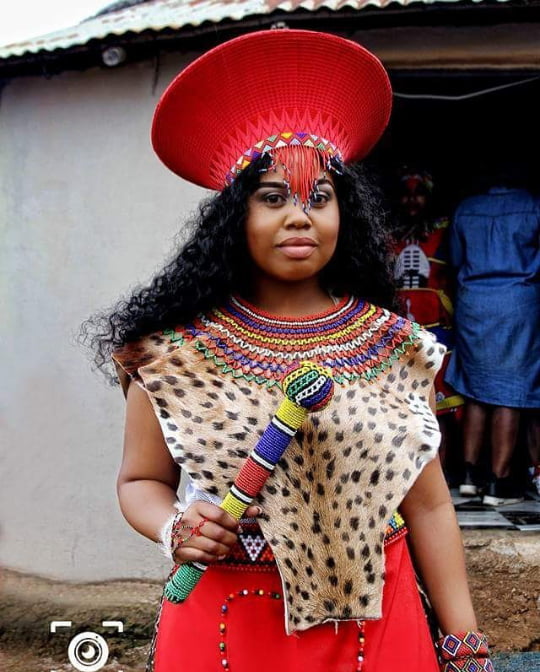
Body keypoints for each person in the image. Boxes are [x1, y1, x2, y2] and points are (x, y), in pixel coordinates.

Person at [84, 30, 494, 672]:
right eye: (273, 198)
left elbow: (432, 505)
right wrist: (175, 527)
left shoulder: (395, 347)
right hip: (222, 623)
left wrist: (464, 645)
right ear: (234, 219)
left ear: (343, 216)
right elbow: (140, 482)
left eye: (318, 198)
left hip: (379, 624)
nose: (299, 216)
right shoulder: (174, 353)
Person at [446, 167, 540, 506]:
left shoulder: (466, 208)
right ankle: (499, 483)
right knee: (509, 394)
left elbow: (455, 260)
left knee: (475, 392)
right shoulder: (532, 205)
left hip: (473, 304)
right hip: (516, 303)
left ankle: (470, 477)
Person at [392, 168, 464, 474]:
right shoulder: (387, 235)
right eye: (406, 192)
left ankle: (441, 478)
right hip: (399, 336)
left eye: (419, 191)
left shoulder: (444, 231)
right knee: (401, 411)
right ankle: (406, 478)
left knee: (441, 410)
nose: (411, 199)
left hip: (438, 335)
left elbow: (457, 275)